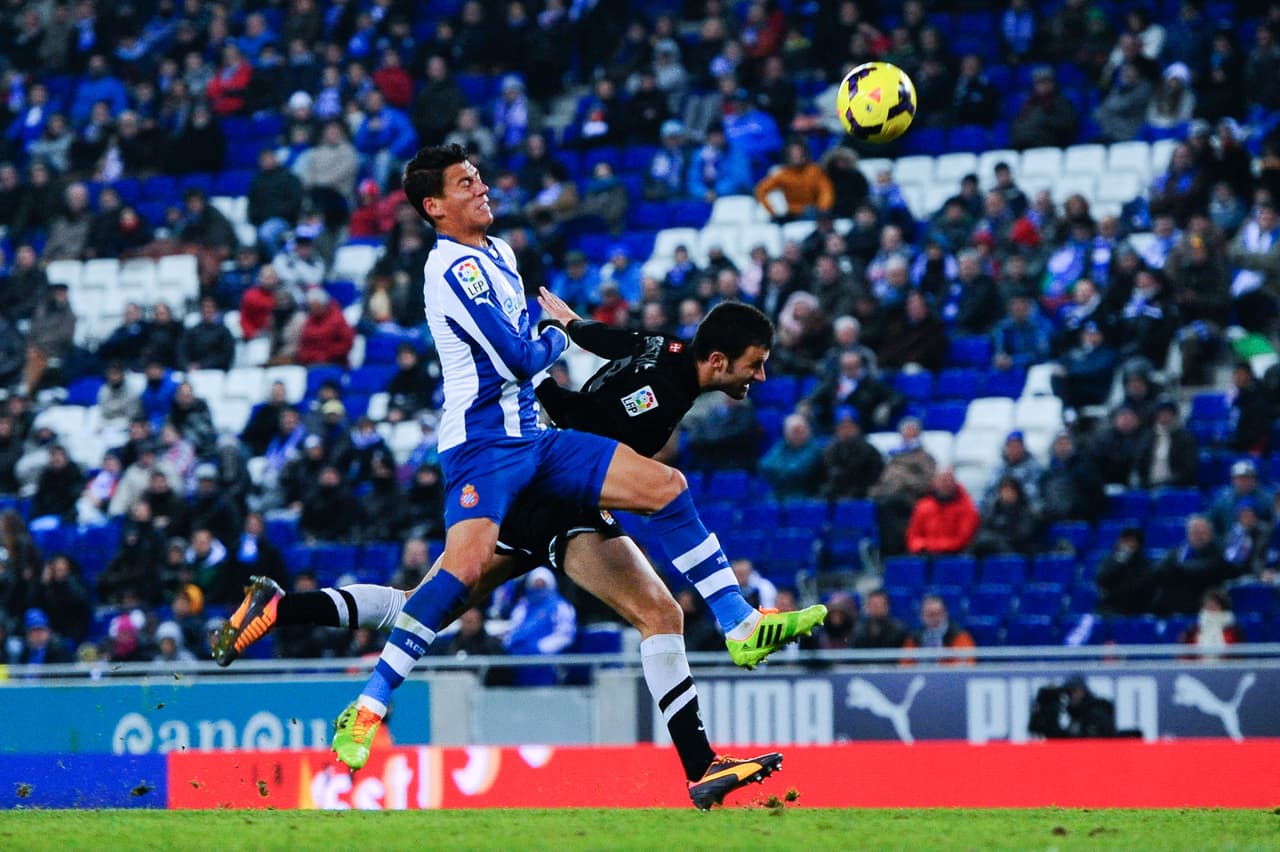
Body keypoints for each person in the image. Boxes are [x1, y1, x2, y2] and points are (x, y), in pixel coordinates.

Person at [222, 147, 818, 797]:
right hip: (487, 451)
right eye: (465, 182)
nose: (482, 187)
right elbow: (518, 357)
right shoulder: (452, 269)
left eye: (479, 176)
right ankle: (365, 704)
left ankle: (729, 662)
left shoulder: (501, 254)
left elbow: (555, 361)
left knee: (661, 526)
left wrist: (564, 338)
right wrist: (559, 339)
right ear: (434, 206)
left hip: (539, 445)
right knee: (449, 587)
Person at [905, 470, 981, 556]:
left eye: (948, 480)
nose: (945, 484)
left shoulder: (967, 507)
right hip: (925, 556)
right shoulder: (923, 506)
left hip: (955, 557)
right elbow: (913, 537)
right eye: (942, 480)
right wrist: (922, 547)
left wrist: (933, 547)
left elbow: (964, 539)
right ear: (934, 483)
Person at [1028, 675, 1120, 738]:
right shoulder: (1077, 716)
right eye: (1067, 692)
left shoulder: (1095, 713)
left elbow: (1086, 745)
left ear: (1081, 691)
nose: (1069, 696)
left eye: (1072, 691)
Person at [757, 414, 824, 499]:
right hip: (780, 493)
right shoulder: (781, 446)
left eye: (802, 430)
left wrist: (779, 470)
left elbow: (798, 470)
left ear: (808, 431)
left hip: (805, 493)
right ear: (786, 434)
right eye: (795, 431)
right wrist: (785, 469)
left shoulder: (815, 448)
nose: (799, 434)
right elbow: (764, 465)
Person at [1095, 527, 1155, 615]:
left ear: (1138, 544)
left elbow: (1141, 587)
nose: (1126, 545)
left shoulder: (1145, 564)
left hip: (1136, 608)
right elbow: (1101, 579)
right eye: (1124, 540)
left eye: (1131, 541)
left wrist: (1116, 590)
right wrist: (1119, 562)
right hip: (1110, 607)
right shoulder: (1110, 560)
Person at [903, 594, 976, 662]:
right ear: (922, 616)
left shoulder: (959, 635)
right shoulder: (914, 636)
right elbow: (905, 664)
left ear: (945, 613)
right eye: (930, 615)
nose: (934, 619)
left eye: (938, 614)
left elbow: (966, 663)